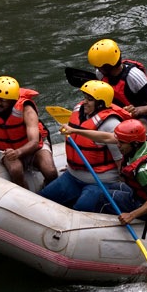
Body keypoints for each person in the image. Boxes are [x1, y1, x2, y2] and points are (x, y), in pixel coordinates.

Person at [63, 119, 147, 225]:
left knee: (101, 197)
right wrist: (74, 130)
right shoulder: (141, 142)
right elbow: (105, 138)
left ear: (134, 143)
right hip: (144, 193)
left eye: (121, 143)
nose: (117, 145)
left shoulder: (145, 170)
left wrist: (131, 215)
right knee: (108, 186)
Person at [38, 80, 131, 212]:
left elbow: (119, 160)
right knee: (43, 198)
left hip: (100, 182)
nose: (85, 102)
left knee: (81, 208)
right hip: (72, 176)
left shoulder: (110, 124)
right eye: (85, 98)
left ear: (100, 103)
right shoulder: (79, 111)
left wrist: (123, 183)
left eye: (90, 99)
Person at [87, 38, 147, 131]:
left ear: (108, 66)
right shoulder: (100, 73)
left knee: (136, 133)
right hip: (113, 111)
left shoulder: (134, 76)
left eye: (98, 66)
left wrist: (137, 110)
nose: (96, 68)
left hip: (138, 115)